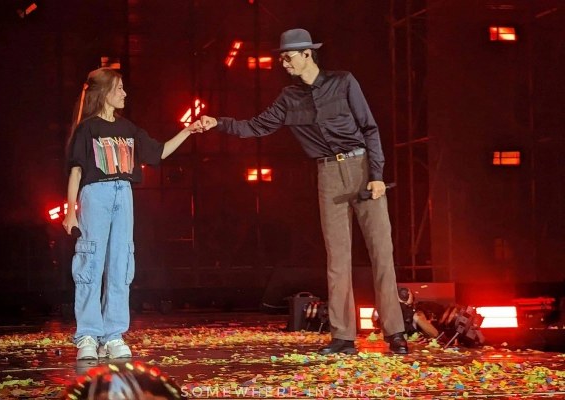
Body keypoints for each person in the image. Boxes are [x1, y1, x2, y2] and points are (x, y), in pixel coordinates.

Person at [200, 28, 408, 354]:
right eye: (282, 58)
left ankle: (395, 332)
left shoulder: (343, 82)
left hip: (362, 168)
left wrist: (377, 175)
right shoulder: (289, 98)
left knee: (382, 252)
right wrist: (219, 123)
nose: (284, 63)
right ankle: (343, 337)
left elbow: (370, 127)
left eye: (288, 57)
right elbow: (257, 126)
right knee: (337, 258)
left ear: (307, 54)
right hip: (328, 174)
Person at [63, 67, 203, 360]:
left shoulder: (128, 128)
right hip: (95, 194)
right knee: (90, 262)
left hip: (123, 194)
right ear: (105, 93)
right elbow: (76, 170)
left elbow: (158, 152)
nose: (124, 94)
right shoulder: (87, 129)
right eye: (119, 88)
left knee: (121, 263)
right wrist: (70, 211)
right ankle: (88, 334)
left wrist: (188, 130)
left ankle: (113, 335)